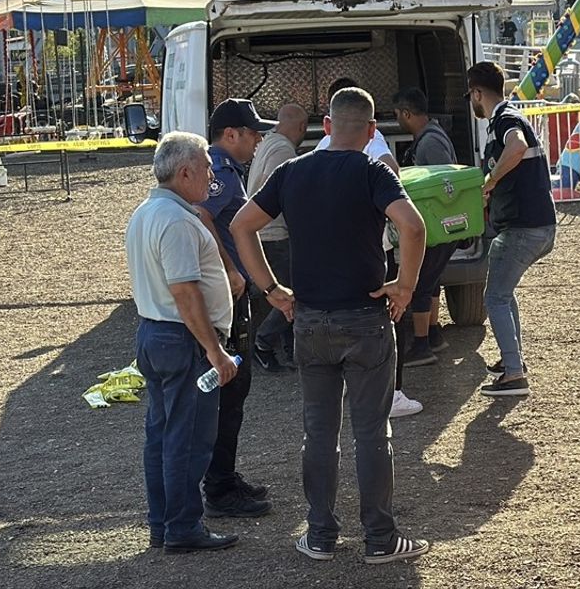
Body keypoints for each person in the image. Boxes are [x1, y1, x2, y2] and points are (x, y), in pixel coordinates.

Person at [230, 86, 432, 565]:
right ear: (371, 130)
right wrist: (404, 286)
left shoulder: (292, 171)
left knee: (319, 434)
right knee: (372, 432)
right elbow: (414, 226)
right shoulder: (374, 171)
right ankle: (380, 537)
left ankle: (320, 534)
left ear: (326, 126)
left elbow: (241, 226)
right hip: (365, 319)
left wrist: (272, 289)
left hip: (310, 320)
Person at [125, 131, 240, 554]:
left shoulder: (147, 212)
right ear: (186, 172)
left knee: (162, 434)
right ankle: (182, 526)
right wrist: (214, 350)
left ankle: (165, 524)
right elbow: (186, 292)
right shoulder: (175, 220)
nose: (212, 175)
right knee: (187, 438)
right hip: (182, 339)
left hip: (156, 333)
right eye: (207, 167)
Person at [193, 98, 278, 518]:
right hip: (226, 295)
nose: (259, 140)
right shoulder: (221, 172)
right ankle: (220, 488)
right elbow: (200, 214)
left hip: (230, 293)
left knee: (233, 390)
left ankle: (224, 477)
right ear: (231, 134)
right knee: (230, 389)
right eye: (253, 133)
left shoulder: (224, 169)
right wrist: (229, 269)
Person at [466, 61, 557, 398]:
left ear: (477, 93)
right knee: (503, 292)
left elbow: (516, 147)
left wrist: (490, 181)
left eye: (470, 95)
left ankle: (514, 374)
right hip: (535, 224)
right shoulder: (507, 118)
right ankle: (512, 360)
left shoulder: (505, 119)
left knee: (495, 297)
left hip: (524, 227)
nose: (471, 102)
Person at [387, 86, 459, 417]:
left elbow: (444, 185)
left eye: (398, 115)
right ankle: (432, 334)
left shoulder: (430, 142)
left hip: (436, 227)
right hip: (439, 227)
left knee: (419, 284)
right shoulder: (432, 136)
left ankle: (420, 346)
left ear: (406, 113)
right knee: (430, 282)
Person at [247, 102, 310, 372]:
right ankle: (262, 342)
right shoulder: (284, 151)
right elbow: (278, 192)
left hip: (263, 230)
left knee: (285, 289)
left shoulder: (268, 144)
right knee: (293, 294)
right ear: (302, 127)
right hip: (274, 233)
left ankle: (289, 350)